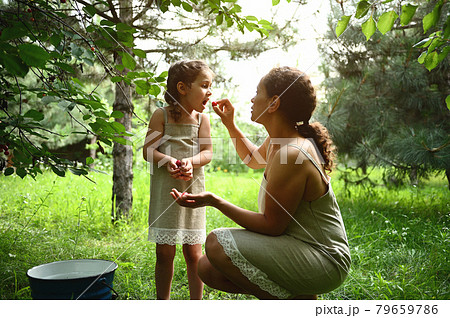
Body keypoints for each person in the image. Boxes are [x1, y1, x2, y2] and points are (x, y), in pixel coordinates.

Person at [171, 66, 351, 300]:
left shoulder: (294, 152)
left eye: (258, 92)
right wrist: (230, 124)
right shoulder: (280, 140)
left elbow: (271, 225)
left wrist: (214, 201)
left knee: (217, 243)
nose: (252, 99)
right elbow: (253, 159)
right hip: (296, 246)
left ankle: (294, 304)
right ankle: (301, 297)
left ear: (274, 103)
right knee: (207, 268)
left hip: (324, 259)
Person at [143, 60, 214, 300]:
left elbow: (207, 153)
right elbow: (148, 151)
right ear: (183, 88)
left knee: (194, 253)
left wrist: (190, 162)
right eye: (204, 85)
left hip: (192, 190)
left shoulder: (202, 120)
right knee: (164, 254)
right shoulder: (160, 115)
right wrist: (168, 161)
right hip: (166, 191)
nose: (209, 91)